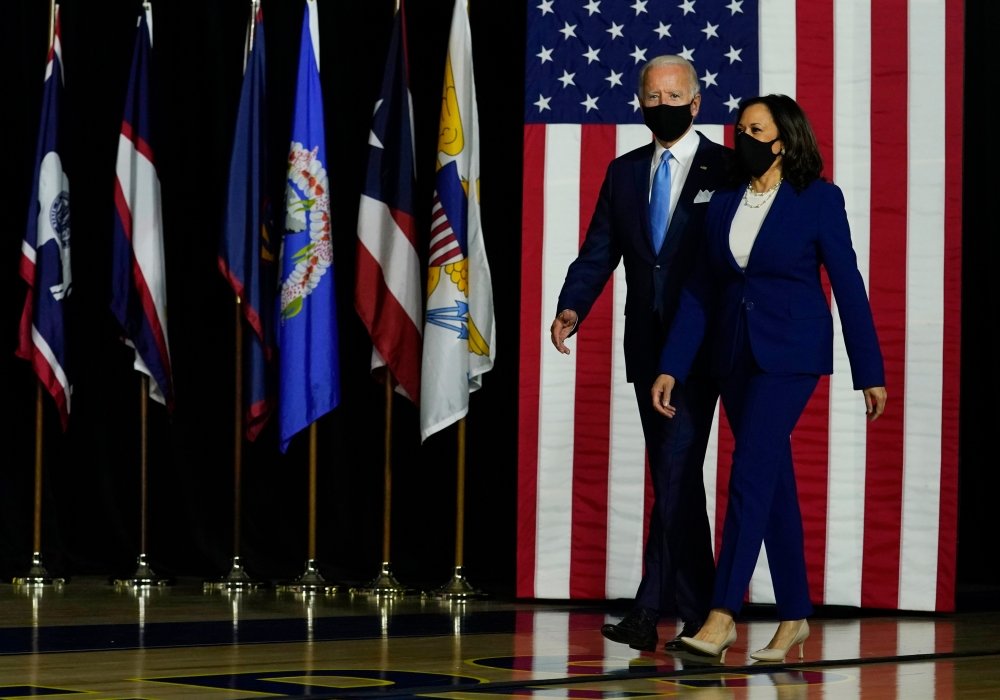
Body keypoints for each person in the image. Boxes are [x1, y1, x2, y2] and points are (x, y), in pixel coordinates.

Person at [651, 94, 887, 663]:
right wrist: (671, 365)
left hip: (792, 356)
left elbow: (849, 284)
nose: (743, 138)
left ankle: (723, 612)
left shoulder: (818, 199)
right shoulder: (725, 197)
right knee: (772, 482)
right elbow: (703, 290)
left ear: (783, 141)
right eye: (740, 129)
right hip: (733, 357)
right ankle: (794, 617)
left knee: (748, 474)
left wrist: (869, 370)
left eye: (756, 130)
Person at [550, 54, 734, 652]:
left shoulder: (726, 169)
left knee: (676, 471)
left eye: (674, 96)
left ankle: (648, 608)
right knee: (675, 476)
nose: (663, 105)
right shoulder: (624, 172)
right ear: (639, 101)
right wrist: (573, 306)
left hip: (703, 348)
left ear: (697, 101)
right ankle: (703, 609)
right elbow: (598, 250)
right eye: (652, 96)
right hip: (646, 348)